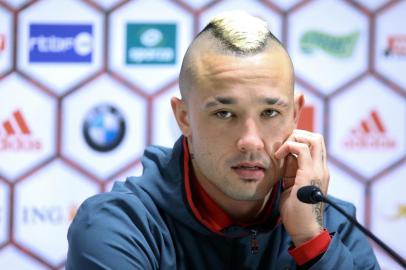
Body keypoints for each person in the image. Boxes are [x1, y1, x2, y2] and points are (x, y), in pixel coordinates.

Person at [66, 11, 379, 269]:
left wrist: (312, 243)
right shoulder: (119, 226)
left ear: (296, 114)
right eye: (225, 114)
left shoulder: (332, 224)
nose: (251, 141)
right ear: (184, 118)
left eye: (270, 112)